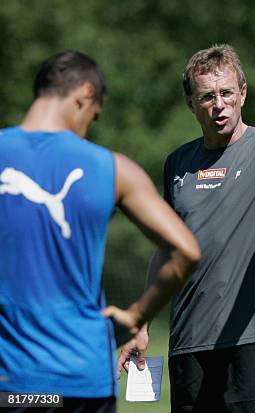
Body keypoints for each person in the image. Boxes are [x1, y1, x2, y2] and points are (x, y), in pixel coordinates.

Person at [118, 44, 255, 412]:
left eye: (226, 93)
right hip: (190, 344)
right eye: (207, 96)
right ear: (190, 103)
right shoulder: (178, 163)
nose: (218, 104)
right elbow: (166, 247)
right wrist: (141, 323)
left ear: (242, 94)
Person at [0, 51, 201, 411]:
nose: (87, 129)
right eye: (93, 116)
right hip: (83, 379)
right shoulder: (112, 168)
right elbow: (186, 250)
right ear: (84, 94)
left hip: (10, 382)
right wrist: (136, 316)